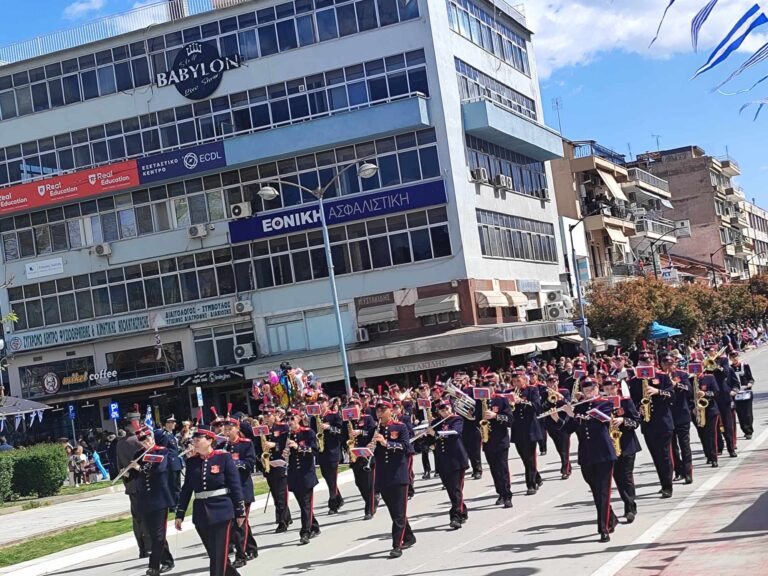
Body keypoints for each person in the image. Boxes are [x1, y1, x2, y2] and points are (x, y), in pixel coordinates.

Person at [551, 378, 618, 542]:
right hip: (586, 454)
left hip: (603, 453)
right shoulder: (580, 405)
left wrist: (573, 414)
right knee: (596, 491)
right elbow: (570, 428)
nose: (589, 391)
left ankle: (603, 529)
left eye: (591, 388)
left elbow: (597, 421)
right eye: (585, 389)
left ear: (597, 388)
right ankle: (611, 517)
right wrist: (557, 418)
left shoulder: (605, 403)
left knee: (603, 491)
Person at [174, 427, 246, 576]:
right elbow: (187, 489)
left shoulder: (224, 458)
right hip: (201, 513)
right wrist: (180, 513)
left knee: (218, 557)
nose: (195, 442)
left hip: (222, 512)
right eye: (194, 440)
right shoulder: (192, 462)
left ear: (210, 440)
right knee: (216, 555)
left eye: (198, 439)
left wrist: (240, 511)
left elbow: (235, 485)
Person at [368, 400, 416, 558]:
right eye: (377, 410)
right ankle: (409, 536)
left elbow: (406, 448)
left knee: (399, 513)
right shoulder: (374, 430)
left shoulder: (400, 427)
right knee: (395, 512)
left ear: (390, 411)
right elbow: (370, 452)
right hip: (383, 476)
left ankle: (397, 545)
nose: (379, 413)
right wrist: (369, 449)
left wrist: (386, 443)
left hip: (398, 475)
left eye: (383, 409)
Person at [627, 352, 675, 498]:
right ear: (639, 363)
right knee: (656, 456)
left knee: (665, 455)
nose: (646, 363)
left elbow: (672, 395)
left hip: (663, 422)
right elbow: (632, 401)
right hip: (648, 424)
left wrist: (658, 391)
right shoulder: (635, 381)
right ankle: (663, 482)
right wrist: (638, 408)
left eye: (649, 360)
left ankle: (668, 486)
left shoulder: (662, 376)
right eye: (643, 361)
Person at [130, 425, 175, 576]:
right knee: (153, 534)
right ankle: (167, 560)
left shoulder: (162, 451)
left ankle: (153, 566)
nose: (146, 443)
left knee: (158, 534)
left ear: (152, 438)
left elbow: (160, 470)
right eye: (142, 441)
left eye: (147, 439)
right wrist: (128, 472)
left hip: (160, 499)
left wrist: (139, 469)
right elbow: (135, 476)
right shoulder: (139, 454)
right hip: (145, 499)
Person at [220, 413, 258, 568]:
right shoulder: (221, 447)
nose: (226, 432)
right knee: (240, 523)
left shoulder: (246, 444)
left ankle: (241, 556)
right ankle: (251, 548)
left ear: (237, 428)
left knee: (239, 524)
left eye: (230, 429)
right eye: (225, 429)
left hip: (243, 489)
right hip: (228, 491)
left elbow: (250, 464)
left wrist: (233, 464)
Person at [602, 377, 641, 523]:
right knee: (617, 477)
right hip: (610, 445)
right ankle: (627, 502)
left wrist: (623, 420)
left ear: (617, 387)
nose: (609, 391)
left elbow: (636, 421)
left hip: (626, 443)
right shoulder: (601, 403)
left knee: (626, 476)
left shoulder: (625, 401)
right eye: (606, 388)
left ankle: (630, 507)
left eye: (611, 388)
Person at [425, 400, 468, 529]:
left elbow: (454, 434)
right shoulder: (435, 423)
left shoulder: (457, 420)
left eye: (446, 409)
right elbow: (429, 441)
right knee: (451, 489)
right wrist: (427, 435)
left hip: (456, 460)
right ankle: (463, 509)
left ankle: (456, 516)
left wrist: (436, 433)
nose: (444, 412)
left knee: (456, 489)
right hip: (442, 461)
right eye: (441, 410)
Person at [117, 419, 152, 558]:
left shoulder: (119, 443)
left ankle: (142, 549)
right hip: (143, 482)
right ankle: (149, 547)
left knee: (137, 518)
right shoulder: (140, 441)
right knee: (147, 517)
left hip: (130, 484)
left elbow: (119, 466)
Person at [286, 412, 321, 545]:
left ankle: (305, 532)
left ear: (299, 419)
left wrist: (299, 447)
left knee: (306, 504)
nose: (290, 422)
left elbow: (315, 451)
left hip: (306, 474)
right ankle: (315, 526)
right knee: (303, 505)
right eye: (288, 420)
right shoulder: (287, 436)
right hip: (293, 474)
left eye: (292, 418)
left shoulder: (308, 433)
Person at [258, 407, 292, 532]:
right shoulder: (261, 430)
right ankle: (286, 517)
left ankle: (282, 522)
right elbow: (257, 446)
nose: (266, 418)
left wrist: (275, 445)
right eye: (265, 416)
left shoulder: (282, 427)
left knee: (281, 494)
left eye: (269, 415)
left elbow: (286, 443)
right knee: (275, 494)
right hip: (268, 465)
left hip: (280, 463)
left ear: (274, 415)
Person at [309, 395, 345, 514]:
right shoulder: (315, 418)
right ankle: (338, 498)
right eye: (318, 402)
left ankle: (333, 504)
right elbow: (312, 433)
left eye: (322, 402)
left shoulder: (334, 415)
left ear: (327, 403)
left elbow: (340, 431)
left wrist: (329, 427)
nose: (320, 404)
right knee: (327, 476)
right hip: (321, 451)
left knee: (333, 477)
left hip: (333, 450)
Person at [662, 354, 694, 484]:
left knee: (684, 445)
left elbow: (689, 390)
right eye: (665, 364)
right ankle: (678, 470)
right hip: (668, 417)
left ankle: (688, 472)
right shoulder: (659, 377)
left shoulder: (681, 374)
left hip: (682, 414)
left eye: (670, 364)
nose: (668, 366)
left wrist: (676, 385)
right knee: (672, 447)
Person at [345, 399, 378, 520]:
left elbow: (373, 432)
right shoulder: (347, 422)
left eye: (354, 405)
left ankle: (369, 509)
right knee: (359, 483)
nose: (352, 408)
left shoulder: (368, 418)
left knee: (369, 484)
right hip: (355, 456)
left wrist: (360, 432)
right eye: (350, 406)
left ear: (360, 407)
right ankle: (371, 500)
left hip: (366, 454)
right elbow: (343, 437)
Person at [154, 415, 183, 504]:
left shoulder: (171, 435)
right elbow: (163, 450)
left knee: (177, 485)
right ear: (166, 424)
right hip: (170, 464)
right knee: (172, 485)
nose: (174, 423)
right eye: (172, 422)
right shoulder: (165, 435)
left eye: (174, 422)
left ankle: (178, 502)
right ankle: (173, 504)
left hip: (176, 463)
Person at [730, 352, 755, 439]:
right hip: (736, 394)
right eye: (732, 357)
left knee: (748, 413)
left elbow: (751, 378)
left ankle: (749, 431)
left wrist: (749, 383)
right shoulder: (729, 368)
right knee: (740, 414)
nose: (734, 358)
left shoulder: (745, 365)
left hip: (746, 392)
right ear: (730, 359)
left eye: (736, 356)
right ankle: (745, 429)